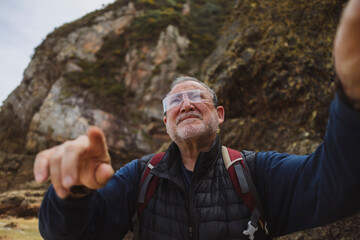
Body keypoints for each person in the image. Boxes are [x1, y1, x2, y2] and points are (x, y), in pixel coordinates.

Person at [34, 0, 360, 239]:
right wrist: (73, 192)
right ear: (166, 121)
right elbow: (69, 234)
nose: (186, 103)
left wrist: (352, 102)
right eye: (176, 100)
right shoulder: (138, 177)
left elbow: (335, 184)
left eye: (197, 97)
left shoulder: (256, 172)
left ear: (219, 115)